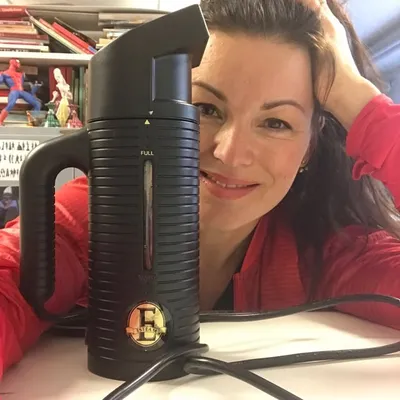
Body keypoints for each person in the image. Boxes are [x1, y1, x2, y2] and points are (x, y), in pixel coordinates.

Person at [1, 0, 400, 379]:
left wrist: (360, 102)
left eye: (276, 123)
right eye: (206, 109)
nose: (230, 153)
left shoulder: (321, 253)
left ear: (309, 149)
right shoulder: (89, 221)